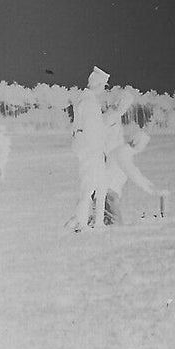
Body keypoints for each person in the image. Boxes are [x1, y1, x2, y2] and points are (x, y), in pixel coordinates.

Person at [69, 66, 111, 232]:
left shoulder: (88, 100)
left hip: (94, 152)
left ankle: (97, 222)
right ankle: (81, 223)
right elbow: (90, 132)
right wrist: (97, 152)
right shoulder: (88, 102)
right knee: (88, 188)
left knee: (100, 187)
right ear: (97, 84)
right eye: (103, 85)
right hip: (91, 153)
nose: (103, 89)